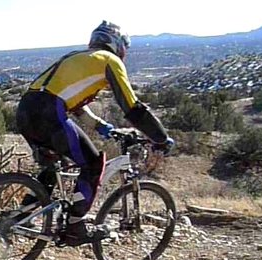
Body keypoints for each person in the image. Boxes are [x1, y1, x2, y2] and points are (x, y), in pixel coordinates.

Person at [16, 20, 174, 246]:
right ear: (118, 46)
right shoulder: (110, 61)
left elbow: (73, 102)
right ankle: (75, 227)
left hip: (25, 110)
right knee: (92, 165)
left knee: (54, 163)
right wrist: (160, 137)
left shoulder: (76, 57)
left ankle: (20, 217)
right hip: (50, 113)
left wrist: (101, 126)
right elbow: (132, 107)